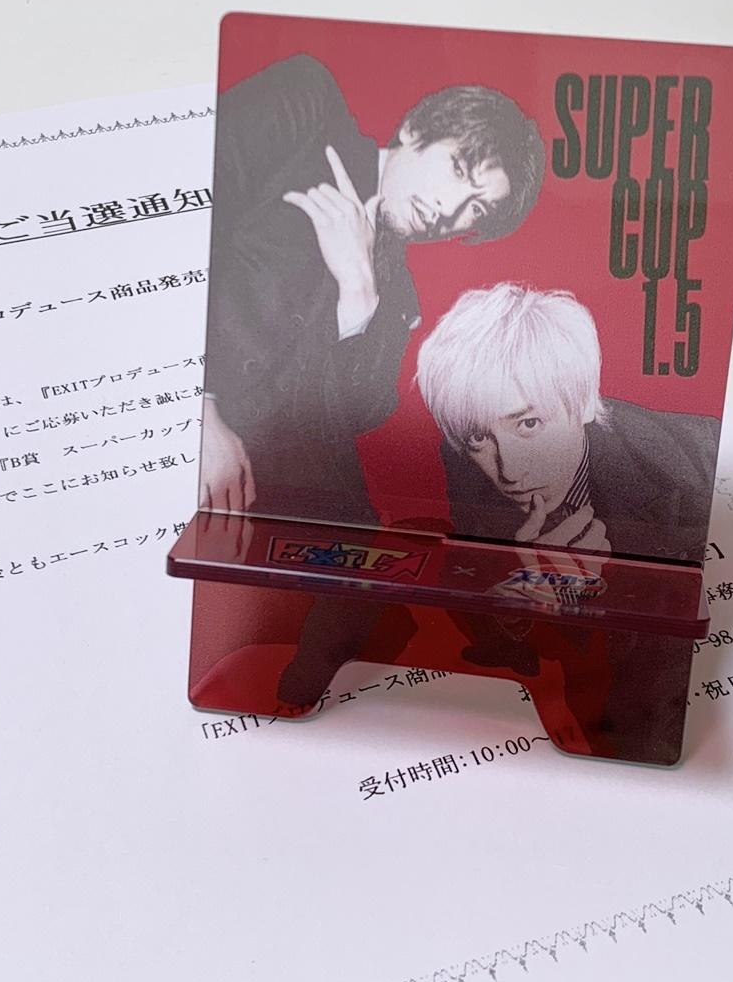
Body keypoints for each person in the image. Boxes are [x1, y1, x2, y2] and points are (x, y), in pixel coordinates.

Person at [198, 54, 546, 706]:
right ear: (416, 130)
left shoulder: (397, 298)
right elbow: (180, 213)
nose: (449, 211)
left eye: (475, 208)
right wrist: (201, 406)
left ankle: (364, 606)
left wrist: (357, 294)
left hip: (269, 486)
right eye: (459, 171)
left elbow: (348, 417)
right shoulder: (306, 106)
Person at [415, 283, 720, 676]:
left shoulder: (700, 463)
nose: (508, 471)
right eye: (478, 438)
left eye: (529, 424)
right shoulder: (463, 456)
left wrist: (607, 589)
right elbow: (474, 579)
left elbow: (678, 660)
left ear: (586, 402)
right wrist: (515, 605)